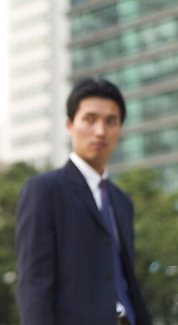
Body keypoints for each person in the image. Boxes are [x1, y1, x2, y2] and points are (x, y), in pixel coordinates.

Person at [15, 78, 152, 325]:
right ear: (70, 124)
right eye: (90, 119)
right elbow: (33, 284)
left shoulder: (122, 201)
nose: (100, 131)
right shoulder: (44, 190)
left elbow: (125, 279)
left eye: (111, 121)